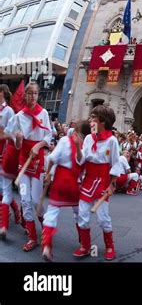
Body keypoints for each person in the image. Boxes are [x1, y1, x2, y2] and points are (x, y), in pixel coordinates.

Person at [3, 82, 52, 251]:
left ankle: (46, 229)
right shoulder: (18, 117)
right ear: (25, 96)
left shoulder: (43, 113)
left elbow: (49, 135)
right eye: (29, 93)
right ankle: (32, 237)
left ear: (38, 95)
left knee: (35, 200)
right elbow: (16, 146)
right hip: (23, 161)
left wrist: (39, 146)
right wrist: (17, 139)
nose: (32, 97)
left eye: (35, 94)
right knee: (25, 199)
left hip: (37, 162)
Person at [73, 105, 121, 261]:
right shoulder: (88, 138)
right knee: (83, 215)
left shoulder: (112, 140)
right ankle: (85, 247)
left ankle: (110, 247)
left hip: (102, 182)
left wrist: (112, 185)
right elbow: (81, 160)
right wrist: (77, 148)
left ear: (103, 122)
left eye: (93, 118)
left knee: (103, 218)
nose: (90, 120)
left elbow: (115, 163)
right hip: (88, 180)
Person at [40, 121, 90, 261]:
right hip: (74, 183)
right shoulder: (85, 146)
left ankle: (47, 246)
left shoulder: (64, 141)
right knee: (78, 213)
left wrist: (48, 173)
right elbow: (82, 166)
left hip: (60, 181)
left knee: (51, 213)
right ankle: (84, 243)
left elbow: (52, 158)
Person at [0, 84, 22, 240]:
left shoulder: (8, 111)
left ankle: (7, 219)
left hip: (3, 152)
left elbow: (10, 134)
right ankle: (15, 210)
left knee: (3, 187)